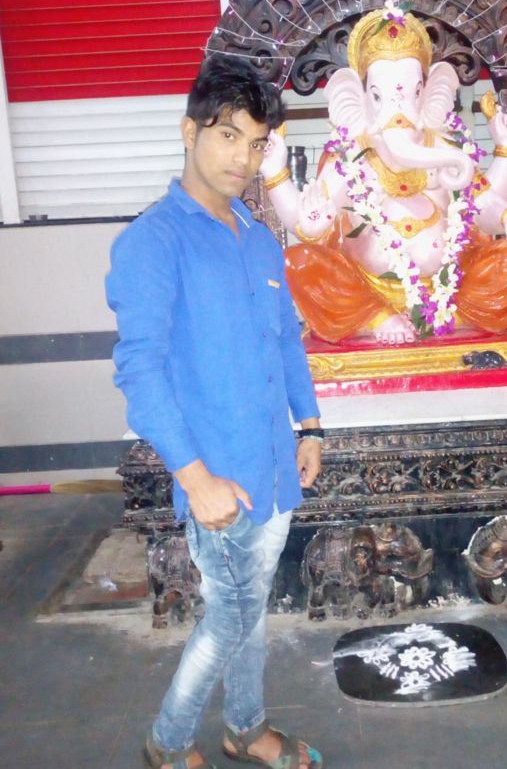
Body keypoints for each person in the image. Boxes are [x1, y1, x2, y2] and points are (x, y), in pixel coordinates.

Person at [106, 54, 324, 769]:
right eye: (228, 135)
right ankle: (169, 744)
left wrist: (310, 424)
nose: (243, 158)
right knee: (232, 616)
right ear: (189, 131)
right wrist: (195, 479)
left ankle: (244, 729)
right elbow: (140, 372)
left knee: (249, 611)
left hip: (275, 469)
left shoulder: (258, 238)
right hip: (219, 482)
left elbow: (285, 339)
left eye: (257, 144)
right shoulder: (152, 242)